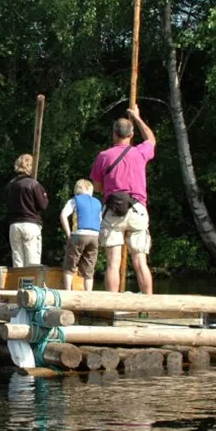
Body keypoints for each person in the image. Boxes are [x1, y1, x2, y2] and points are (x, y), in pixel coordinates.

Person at [89, 106, 157, 294]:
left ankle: (111, 306)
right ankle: (147, 305)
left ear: (114, 134)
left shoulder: (103, 156)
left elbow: (97, 187)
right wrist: (137, 117)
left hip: (113, 211)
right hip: (137, 210)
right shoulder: (140, 152)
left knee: (113, 263)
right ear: (131, 133)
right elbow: (151, 139)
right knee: (140, 261)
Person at [6, 153, 49, 267]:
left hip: (14, 225)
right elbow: (43, 205)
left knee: (18, 261)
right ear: (31, 167)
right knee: (32, 262)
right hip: (30, 224)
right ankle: (30, 284)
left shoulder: (11, 185)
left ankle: (18, 284)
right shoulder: (33, 184)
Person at [59, 179, 102, 291]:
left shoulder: (75, 200)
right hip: (94, 236)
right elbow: (100, 220)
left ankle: (68, 292)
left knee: (70, 265)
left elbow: (63, 215)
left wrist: (69, 234)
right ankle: (88, 296)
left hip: (79, 235)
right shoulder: (97, 202)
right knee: (89, 269)